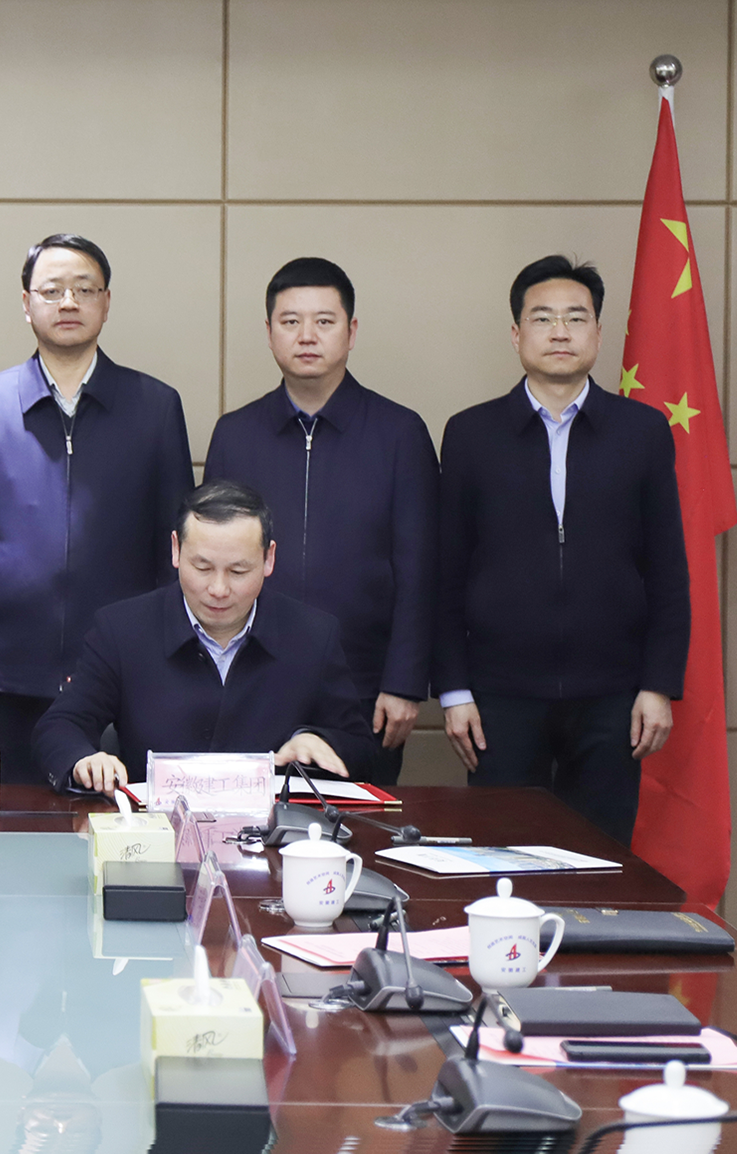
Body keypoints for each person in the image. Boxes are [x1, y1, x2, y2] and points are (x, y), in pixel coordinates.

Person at [436, 255, 690, 845]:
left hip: (612, 695)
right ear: (516, 333)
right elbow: (446, 572)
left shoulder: (641, 432)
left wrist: (658, 684)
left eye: (576, 318)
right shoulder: (471, 434)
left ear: (598, 333)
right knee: (503, 860)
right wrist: (454, 690)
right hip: (499, 696)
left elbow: (667, 570)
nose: (559, 332)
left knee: (600, 863)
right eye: (543, 318)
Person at [0, 234, 195, 783]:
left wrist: (169, 659)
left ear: (107, 302)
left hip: (125, 671)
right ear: (27, 304)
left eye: (84, 289)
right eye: (51, 290)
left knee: (119, 820)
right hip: (3, 674)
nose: (68, 302)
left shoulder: (155, 406)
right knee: (9, 824)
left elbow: (175, 550)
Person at [204, 257, 437, 786]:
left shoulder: (400, 433)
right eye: (290, 321)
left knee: (355, 824)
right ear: (269, 332)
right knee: (248, 823)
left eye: (324, 321)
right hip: (249, 676)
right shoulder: (236, 434)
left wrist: (405, 682)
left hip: (364, 686)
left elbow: (420, 568)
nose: (306, 336)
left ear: (351, 332)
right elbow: (208, 561)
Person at [35, 480, 377, 794]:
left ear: (268, 558)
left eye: (238, 571)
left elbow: (360, 747)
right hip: (153, 828)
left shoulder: (313, 636)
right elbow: (60, 725)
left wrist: (315, 740)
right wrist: (83, 760)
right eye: (202, 568)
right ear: (176, 550)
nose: (218, 589)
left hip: (271, 831)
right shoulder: (122, 630)